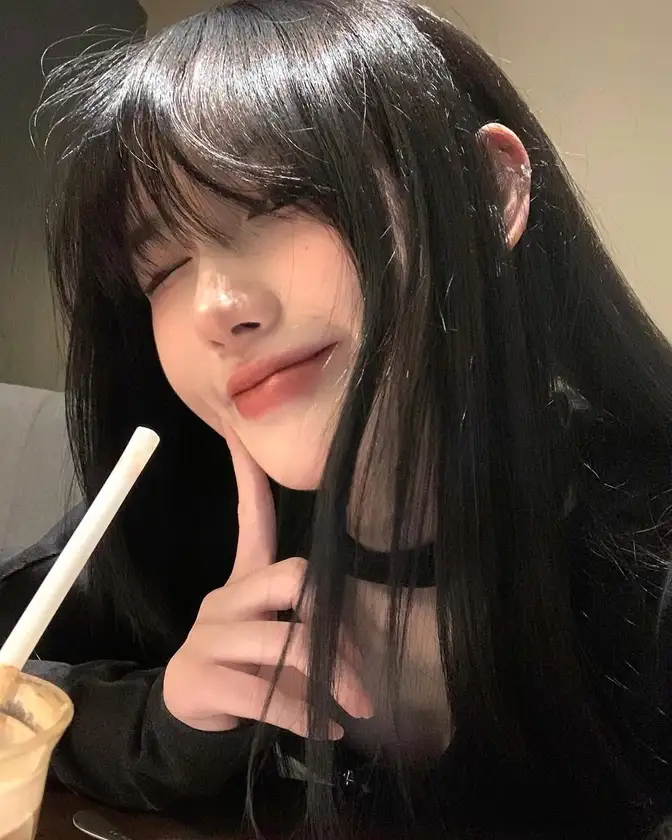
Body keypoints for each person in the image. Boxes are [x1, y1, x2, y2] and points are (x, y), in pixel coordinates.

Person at [1, 0, 671, 836]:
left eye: (280, 201)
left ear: (486, 192)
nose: (215, 306)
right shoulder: (186, 500)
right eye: (163, 269)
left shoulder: (642, 552)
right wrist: (165, 721)